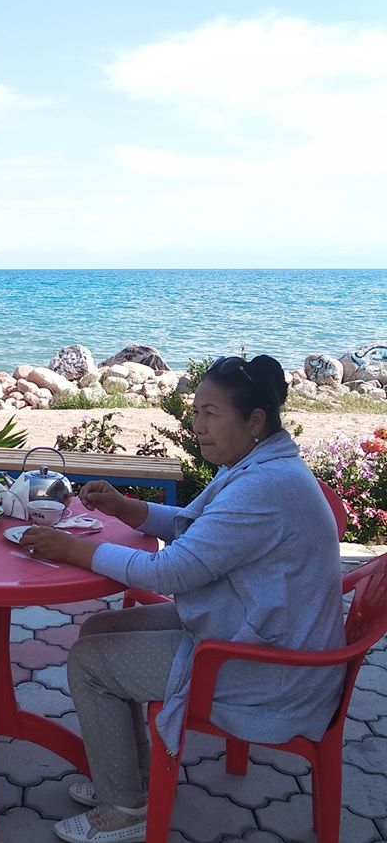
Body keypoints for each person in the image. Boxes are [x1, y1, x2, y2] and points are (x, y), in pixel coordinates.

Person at [19, 354, 346, 843]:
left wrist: (73, 549)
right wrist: (125, 508)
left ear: (255, 420)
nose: (197, 426)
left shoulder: (265, 485)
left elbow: (171, 570)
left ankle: (125, 810)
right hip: (260, 629)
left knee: (90, 663)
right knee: (98, 630)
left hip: (271, 668)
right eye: (196, 412)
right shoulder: (259, 464)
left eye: (210, 413)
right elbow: (191, 526)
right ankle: (133, 780)